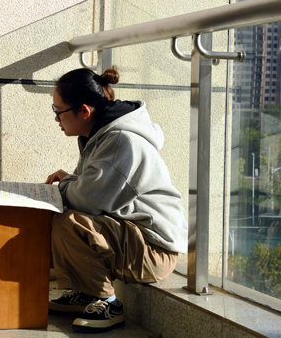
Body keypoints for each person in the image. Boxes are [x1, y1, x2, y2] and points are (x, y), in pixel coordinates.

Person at [45, 67, 188, 333]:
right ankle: (87, 292)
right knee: (59, 217)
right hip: (135, 238)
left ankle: (108, 303)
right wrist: (71, 182)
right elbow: (90, 190)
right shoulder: (99, 134)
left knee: (70, 222)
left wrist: (66, 185)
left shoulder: (122, 140)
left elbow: (87, 199)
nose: (56, 118)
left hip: (153, 250)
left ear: (84, 111)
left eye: (58, 110)